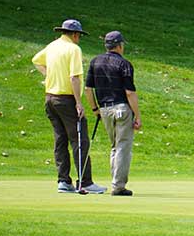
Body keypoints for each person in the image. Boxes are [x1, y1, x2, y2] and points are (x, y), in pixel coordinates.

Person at [32, 19, 107, 194]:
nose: (79, 38)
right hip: (66, 99)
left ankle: (63, 181)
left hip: (50, 99)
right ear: (75, 34)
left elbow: (36, 60)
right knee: (79, 140)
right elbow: (74, 78)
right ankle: (85, 182)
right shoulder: (73, 49)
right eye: (79, 35)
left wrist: (49, 75)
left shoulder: (52, 46)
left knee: (60, 140)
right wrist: (78, 102)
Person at [84, 31, 141, 196]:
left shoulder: (95, 62)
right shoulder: (124, 64)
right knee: (123, 146)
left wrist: (95, 109)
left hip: (104, 110)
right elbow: (129, 92)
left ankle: (116, 182)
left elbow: (88, 89)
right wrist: (137, 116)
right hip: (122, 108)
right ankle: (118, 186)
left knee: (115, 147)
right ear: (120, 45)